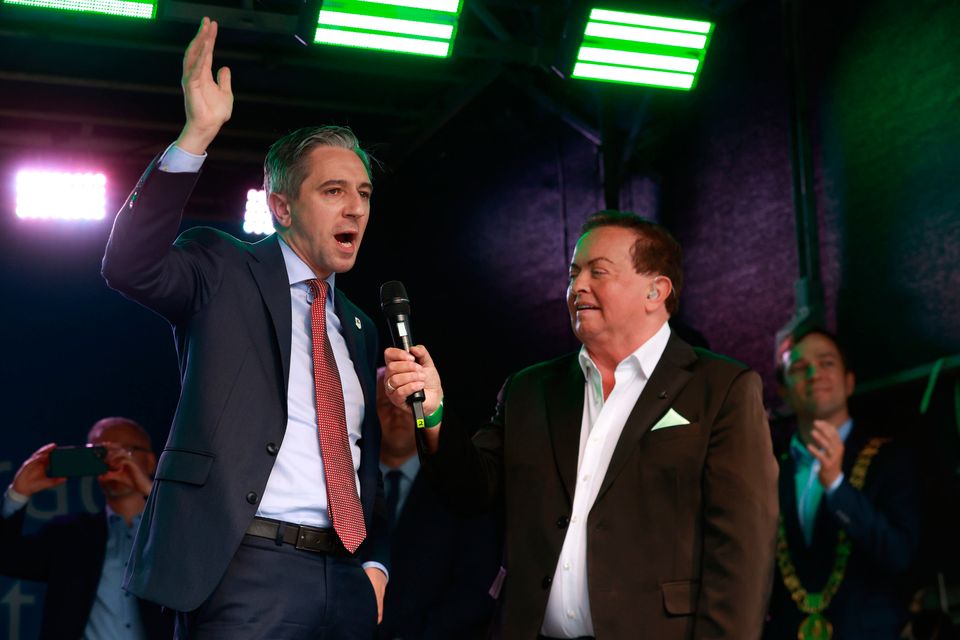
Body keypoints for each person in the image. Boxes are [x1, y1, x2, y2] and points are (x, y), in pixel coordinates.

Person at [101, 17, 387, 639]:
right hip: (245, 569)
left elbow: (363, 460)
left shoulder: (358, 325)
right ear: (281, 206)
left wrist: (375, 562)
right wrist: (196, 135)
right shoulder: (224, 267)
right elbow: (130, 265)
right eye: (334, 190)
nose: (356, 208)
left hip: (346, 579)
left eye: (363, 193)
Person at [384, 210, 780, 639]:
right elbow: (470, 490)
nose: (578, 286)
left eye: (598, 271)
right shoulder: (530, 389)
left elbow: (742, 552)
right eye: (574, 273)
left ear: (655, 290)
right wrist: (434, 411)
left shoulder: (720, 388)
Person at [764, 327, 921, 639]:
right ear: (783, 390)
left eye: (827, 363)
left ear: (849, 382)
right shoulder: (768, 470)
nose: (813, 373)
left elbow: (901, 557)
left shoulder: (889, 458)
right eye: (798, 367)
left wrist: (837, 485)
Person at [0, 417, 174, 640]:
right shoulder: (70, 535)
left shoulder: (170, 532)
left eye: (126, 450)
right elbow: (6, 557)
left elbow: (200, 554)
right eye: (101, 452)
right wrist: (18, 493)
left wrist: (151, 492)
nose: (113, 459)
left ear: (151, 462)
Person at [375, 367, 500, 640]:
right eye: (385, 404)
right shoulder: (350, 485)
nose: (396, 413)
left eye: (405, 403)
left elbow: (475, 583)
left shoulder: (456, 484)